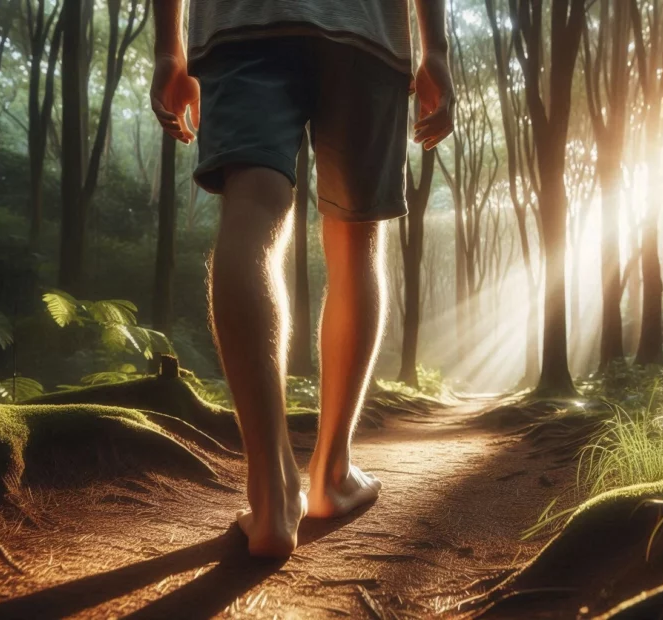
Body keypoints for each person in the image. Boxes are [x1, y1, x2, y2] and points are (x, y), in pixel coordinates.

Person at [150, 0, 454, 557]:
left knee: (252, 208)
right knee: (357, 238)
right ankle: (331, 474)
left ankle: (270, 496)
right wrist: (434, 48)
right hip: (366, 33)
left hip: (240, 23)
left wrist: (168, 49)